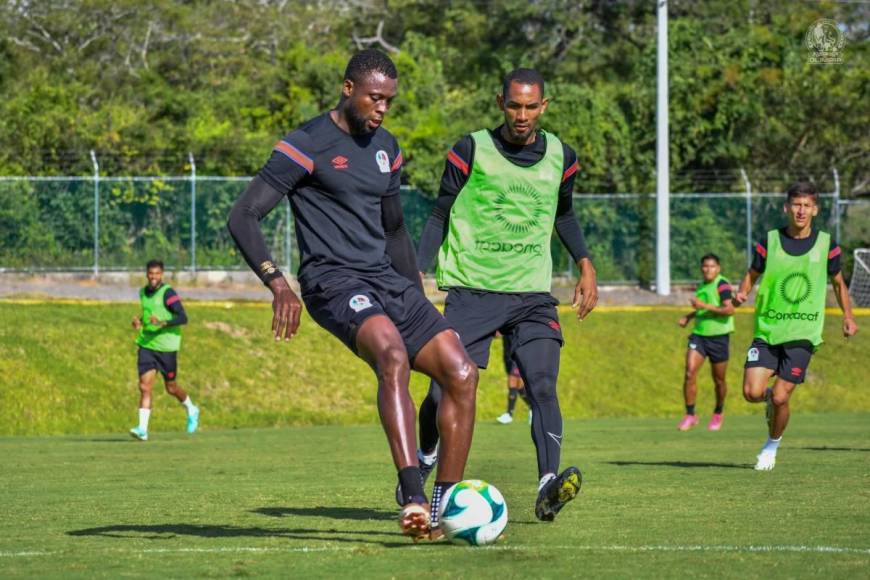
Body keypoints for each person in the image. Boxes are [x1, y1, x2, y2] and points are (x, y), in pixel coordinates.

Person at [226, 50, 478, 540]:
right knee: (392, 353)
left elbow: (395, 230)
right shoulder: (305, 143)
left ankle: (445, 507)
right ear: (348, 89)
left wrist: (415, 293)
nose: (382, 108)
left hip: (387, 280)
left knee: (461, 372)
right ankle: (411, 496)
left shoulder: (388, 146)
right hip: (332, 282)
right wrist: (277, 282)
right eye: (375, 98)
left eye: (389, 100)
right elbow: (244, 215)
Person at [413, 68, 598, 522]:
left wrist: (586, 265)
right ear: (501, 102)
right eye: (514, 105)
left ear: (544, 106)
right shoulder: (470, 149)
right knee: (442, 395)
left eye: (530, 106)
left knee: (542, 385)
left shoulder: (562, 156)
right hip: (472, 289)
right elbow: (439, 214)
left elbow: (565, 215)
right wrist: (415, 274)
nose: (521, 115)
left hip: (532, 293)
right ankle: (424, 455)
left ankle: (547, 485)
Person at [733, 181, 858, 471]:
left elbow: (839, 284)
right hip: (768, 330)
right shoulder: (770, 241)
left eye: (806, 206)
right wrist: (742, 293)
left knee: (781, 395)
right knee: (752, 393)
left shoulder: (828, 245)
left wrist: (848, 317)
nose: (801, 211)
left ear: (815, 209)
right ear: (786, 208)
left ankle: (771, 446)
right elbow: (752, 274)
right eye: (796, 205)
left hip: (803, 334)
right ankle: (770, 406)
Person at [130, 259, 199, 441]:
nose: (153, 277)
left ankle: (191, 409)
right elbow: (147, 315)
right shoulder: (143, 293)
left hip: (167, 347)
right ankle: (142, 429)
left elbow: (183, 317)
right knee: (145, 387)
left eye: (157, 273)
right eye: (151, 273)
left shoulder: (168, 293)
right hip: (147, 345)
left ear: (162, 274)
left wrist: (163, 323)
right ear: (146, 274)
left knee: (171, 387)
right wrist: (139, 322)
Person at [676, 254, 735, 431]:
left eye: (712, 266)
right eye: (705, 266)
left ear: (718, 268)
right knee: (689, 373)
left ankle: (718, 412)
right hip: (699, 336)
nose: (708, 269)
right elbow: (704, 309)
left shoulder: (722, 284)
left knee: (719, 380)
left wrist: (703, 306)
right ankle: (690, 414)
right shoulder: (702, 286)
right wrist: (689, 316)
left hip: (719, 337)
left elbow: (729, 309)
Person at [496, 332, 532, 425]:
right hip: (507, 354)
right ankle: (533, 407)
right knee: (519, 386)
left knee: (512, 380)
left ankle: (509, 414)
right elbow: (498, 333)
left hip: (518, 352)